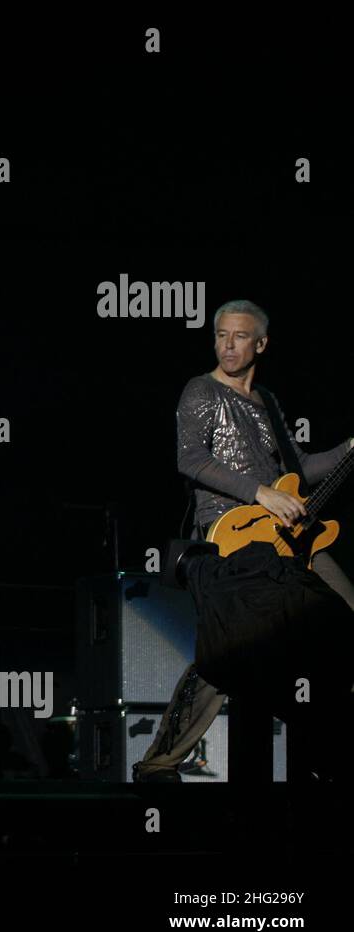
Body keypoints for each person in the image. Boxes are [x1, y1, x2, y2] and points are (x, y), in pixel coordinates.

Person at [133, 299, 354, 783]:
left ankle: (328, 749)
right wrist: (261, 494)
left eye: (238, 336)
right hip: (230, 535)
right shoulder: (201, 390)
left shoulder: (269, 402)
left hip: (288, 537)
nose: (226, 345)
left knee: (342, 608)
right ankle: (159, 763)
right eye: (220, 335)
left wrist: (348, 449)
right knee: (233, 645)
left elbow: (301, 468)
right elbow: (189, 459)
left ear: (261, 343)